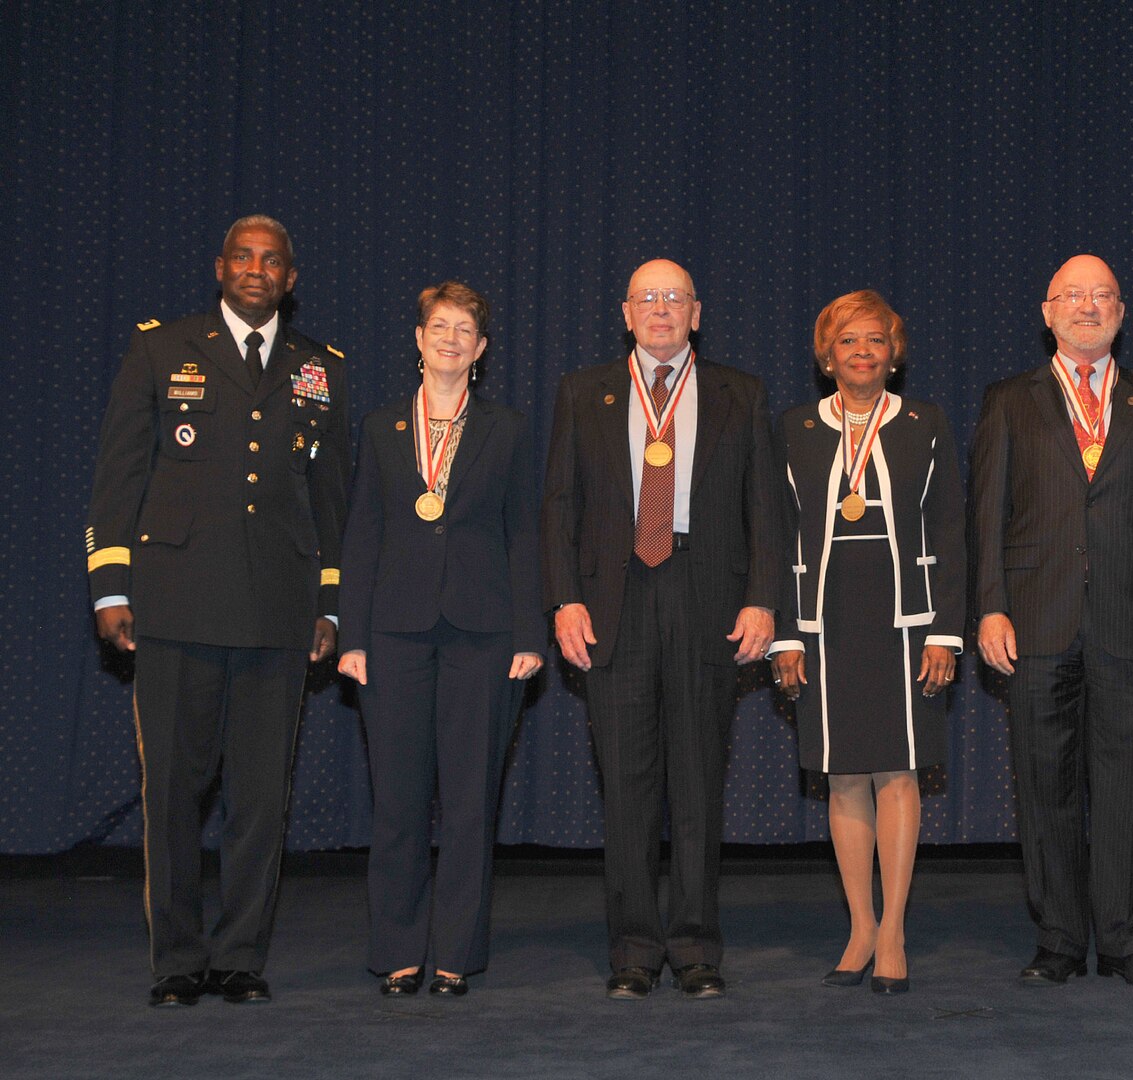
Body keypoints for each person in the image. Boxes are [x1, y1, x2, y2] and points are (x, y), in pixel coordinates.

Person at [86, 215, 350, 1007]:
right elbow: (119, 473)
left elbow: (330, 501)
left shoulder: (318, 368)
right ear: (220, 267)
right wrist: (110, 585)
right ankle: (176, 961)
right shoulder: (162, 349)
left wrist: (329, 605)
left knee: (261, 800)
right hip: (175, 607)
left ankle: (239, 957)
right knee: (172, 793)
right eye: (244, 256)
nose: (257, 269)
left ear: (291, 279)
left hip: (278, 613)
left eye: (272, 261)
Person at [541, 259, 781, 1000]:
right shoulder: (584, 392)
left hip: (707, 596)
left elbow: (766, 509)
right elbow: (559, 505)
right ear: (626, 312)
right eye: (648, 298)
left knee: (700, 783)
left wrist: (762, 597)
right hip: (612, 601)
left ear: (696, 313)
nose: (661, 310)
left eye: (675, 298)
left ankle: (697, 947)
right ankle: (634, 951)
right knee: (628, 787)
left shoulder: (741, 393)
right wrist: (564, 600)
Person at [970, 254, 1133, 987]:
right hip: (1036, 623)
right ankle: (1060, 942)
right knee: (1045, 789)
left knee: (1126, 789)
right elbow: (985, 517)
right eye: (1074, 295)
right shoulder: (1009, 399)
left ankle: (1126, 944)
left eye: (1102, 295)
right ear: (1047, 312)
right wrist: (990, 607)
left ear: (1122, 312)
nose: (1088, 306)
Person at [337, 282, 545, 997]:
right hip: (392, 635)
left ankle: (455, 951)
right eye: (439, 326)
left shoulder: (509, 429)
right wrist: (351, 635)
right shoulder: (379, 427)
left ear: (481, 350)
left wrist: (529, 631)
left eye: (465, 330)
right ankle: (397, 948)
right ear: (419, 340)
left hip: (484, 636)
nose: (451, 338)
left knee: (468, 801)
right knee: (396, 801)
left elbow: (525, 534)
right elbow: (362, 534)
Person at [769, 291, 966, 995]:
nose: (862, 352)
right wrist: (783, 635)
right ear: (827, 356)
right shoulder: (793, 427)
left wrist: (945, 628)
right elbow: (775, 534)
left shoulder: (925, 423)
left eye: (875, 341)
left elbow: (949, 531)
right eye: (848, 341)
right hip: (823, 619)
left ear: (894, 352)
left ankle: (893, 931)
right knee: (844, 773)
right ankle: (858, 924)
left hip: (906, 621)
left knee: (899, 772)